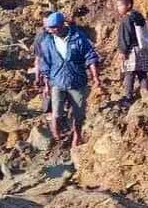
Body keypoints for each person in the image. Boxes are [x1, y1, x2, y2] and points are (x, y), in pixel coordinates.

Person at [33, 12, 102, 146]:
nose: (52, 30)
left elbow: (90, 57)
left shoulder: (78, 38)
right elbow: (45, 65)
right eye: (50, 28)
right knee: (56, 113)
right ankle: (57, 137)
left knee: (78, 114)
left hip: (77, 82)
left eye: (54, 27)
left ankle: (77, 136)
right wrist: (46, 86)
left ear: (61, 25)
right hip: (57, 82)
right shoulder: (47, 42)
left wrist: (96, 78)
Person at [116, 0, 148, 104]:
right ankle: (145, 94)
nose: (118, 8)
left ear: (128, 5)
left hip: (132, 50)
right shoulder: (138, 16)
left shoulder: (126, 19)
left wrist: (123, 51)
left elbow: (125, 37)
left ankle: (128, 98)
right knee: (142, 73)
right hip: (143, 48)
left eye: (120, 5)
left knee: (129, 74)